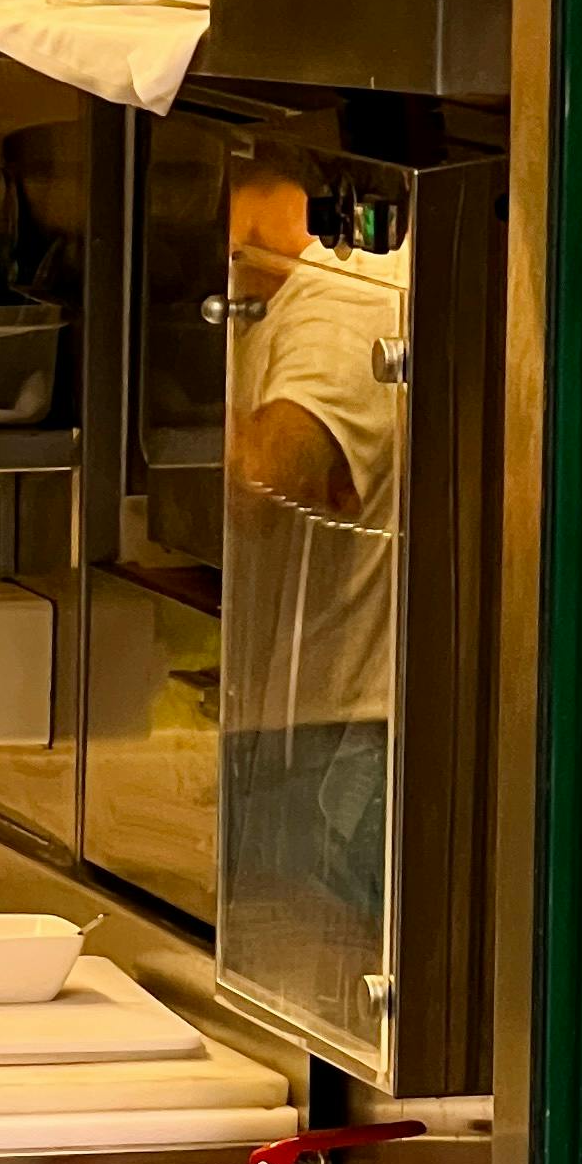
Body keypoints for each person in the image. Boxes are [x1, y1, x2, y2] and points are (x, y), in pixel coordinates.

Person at [220, 152, 405, 1039]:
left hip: (346, 751)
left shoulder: (336, 301)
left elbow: (278, 475)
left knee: (332, 1025)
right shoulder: (304, 292)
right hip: (321, 728)